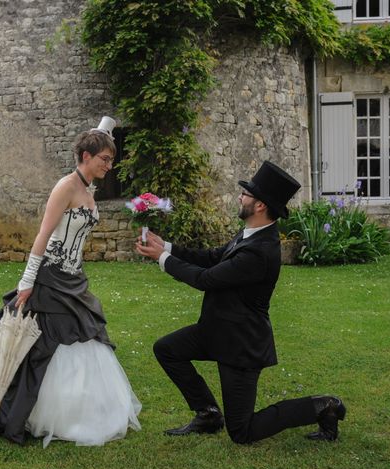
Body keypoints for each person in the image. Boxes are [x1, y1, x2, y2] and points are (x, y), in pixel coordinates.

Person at [0, 117, 141, 447]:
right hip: (50, 277)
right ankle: (30, 411)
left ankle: (81, 409)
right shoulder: (66, 186)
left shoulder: (88, 188)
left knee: (82, 336)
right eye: (105, 159)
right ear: (85, 157)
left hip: (73, 278)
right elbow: (43, 235)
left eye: (111, 159)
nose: (110, 165)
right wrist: (27, 281)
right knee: (40, 344)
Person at [135, 161, 346, 444]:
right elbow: (213, 257)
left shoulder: (260, 252)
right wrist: (168, 247)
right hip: (216, 331)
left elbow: (206, 279)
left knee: (242, 432)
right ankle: (208, 413)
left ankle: (324, 406)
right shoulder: (250, 234)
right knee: (167, 349)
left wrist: (161, 258)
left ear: (260, 205)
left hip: (241, 344)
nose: (240, 197)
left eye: (246, 194)